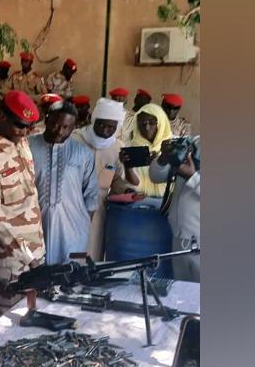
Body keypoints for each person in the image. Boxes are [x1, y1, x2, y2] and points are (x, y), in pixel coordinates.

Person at [0, 90, 46, 318]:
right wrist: (28, 256)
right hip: (8, 261)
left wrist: (36, 254)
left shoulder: (22, 144)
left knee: (34, 318)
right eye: (20, 125)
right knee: (7, 323)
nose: (25, 132)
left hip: (35, 254)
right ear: (2, 117)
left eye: (29, 127)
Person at [71, 97, 141, 259]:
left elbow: (119, 183)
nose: (105, 130)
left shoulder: (118, 148)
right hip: (71, 206)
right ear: (93, 119)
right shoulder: (75, 140)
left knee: (91, 253)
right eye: (101, 124)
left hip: (98, 212)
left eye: (111, 126)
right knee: (68, 253)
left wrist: (127, 192)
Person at [29, 100, 97, 265]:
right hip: (33, 228)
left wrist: (81, 225)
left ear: (73, 128)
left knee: (69, 274)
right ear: (46, 120)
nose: (60, 131)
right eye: (55, 124)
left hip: (72, 231)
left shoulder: (83, 153)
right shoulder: (27, 147)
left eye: (66, 127)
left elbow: (91, 195)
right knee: (35, 273)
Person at [149, 135, 201, 282]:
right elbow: (155, 176)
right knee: (180, 291)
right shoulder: (193, 142)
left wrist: (192, 177)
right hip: (179, 239)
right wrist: (163, 159)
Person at [128, 102, 175, 197]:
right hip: (140, 201)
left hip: (167, 201)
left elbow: (178, 179)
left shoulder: (173, 145)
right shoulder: (132, 147)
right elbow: (130, 182)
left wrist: (159, 163)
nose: (146, 128)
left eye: (152, 122)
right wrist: (127, 166)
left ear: (161, 122)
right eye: (142, 123)